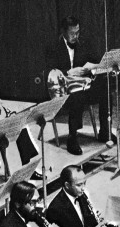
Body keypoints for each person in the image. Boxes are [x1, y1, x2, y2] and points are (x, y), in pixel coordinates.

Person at [44, 16, 113, 155]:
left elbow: (96, 63)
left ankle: (105, 131)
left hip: (81, 87)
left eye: (78, 32)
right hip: (61, 90)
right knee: (76, 95)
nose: (76, 36)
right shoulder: (53, 46)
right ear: (63, 32)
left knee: (105, 89)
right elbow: (47, 71)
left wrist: (89, 70)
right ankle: (72, 137)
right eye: (72, 33)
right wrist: (68, 72)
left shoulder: (83, 43)